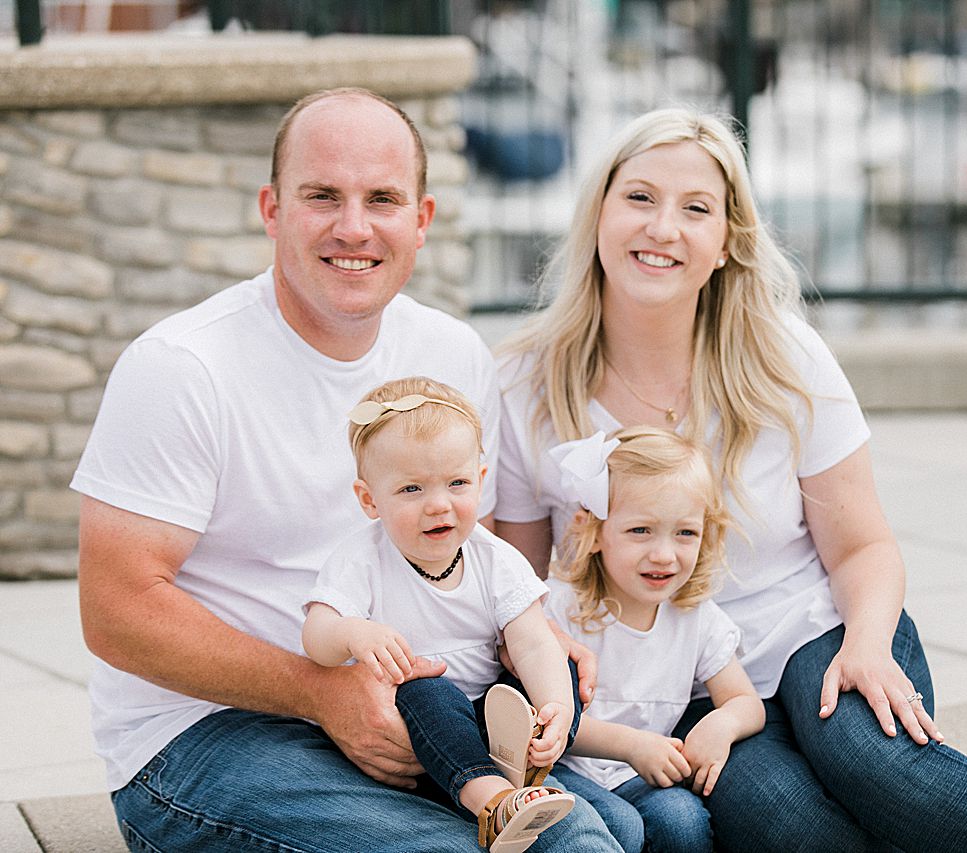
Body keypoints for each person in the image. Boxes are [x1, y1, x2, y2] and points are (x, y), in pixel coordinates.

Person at [494, 107, 967, 852]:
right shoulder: (525, 382)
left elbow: (863, 546)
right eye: (639, 197)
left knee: (872, 760)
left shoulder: (782, 356)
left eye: (696, 209)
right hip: (682, 688)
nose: (662, 228)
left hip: (815, 634)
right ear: (600, 213)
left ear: (726, 244)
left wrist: (866, 644)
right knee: (795, 827)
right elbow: (516, 586)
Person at [72, 87, 620, 852]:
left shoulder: (454, 356)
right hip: (204, 736)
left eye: (383, 199)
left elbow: (465, 560)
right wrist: (320, 692)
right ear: (271, 208)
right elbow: (115, 609)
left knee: (614, 829)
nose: (353, 227)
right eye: (322, 196)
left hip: (417, 710)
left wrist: (530, 637)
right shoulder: (183, 367)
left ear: (421, 220)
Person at [303, 376, 578, 850]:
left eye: (457, 483)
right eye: (411, 488)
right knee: (425, 691)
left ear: (481, 481)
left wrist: (557, 704)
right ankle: (493, 801)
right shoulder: (362, 559)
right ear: (370, 499)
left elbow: (532, 640)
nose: (438, 504)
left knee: (559, 663)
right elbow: (316, 636)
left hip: (491, 718)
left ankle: (536, 759)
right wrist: (352, 633)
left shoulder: (494, 557)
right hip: (418, 729)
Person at [539, 427, 764, 853]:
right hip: (560, 768)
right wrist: (631, 745)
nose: (664, 554)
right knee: (621, 826)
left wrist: (723, 724)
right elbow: (544, 719)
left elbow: (746, 702)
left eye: (685, 533)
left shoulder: (695, 617)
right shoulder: (562, 609)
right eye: (641, 530)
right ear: (593, 531)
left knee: (682, 821)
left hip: (634, 774)